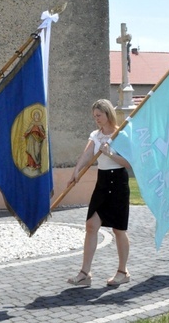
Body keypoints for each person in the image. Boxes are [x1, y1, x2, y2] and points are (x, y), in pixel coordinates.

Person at [66, 99, 133, 287]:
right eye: (94, 116)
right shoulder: (95, 135)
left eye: (99, 115)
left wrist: (110, 154)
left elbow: (129, 163)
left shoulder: (121, 133)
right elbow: (87, 154)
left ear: (108, 113)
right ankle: (85, 273)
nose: (96, 119)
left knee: (118, 229)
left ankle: (123, 271)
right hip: (102, 182)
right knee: (91, 225)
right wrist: (76, 171)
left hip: (118, 182)